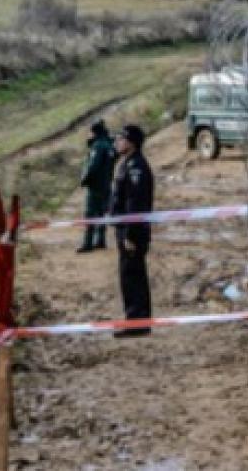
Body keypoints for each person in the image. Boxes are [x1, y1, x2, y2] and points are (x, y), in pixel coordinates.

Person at [107, 124, 154, 338]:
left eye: (121, 139)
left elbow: (135, 205)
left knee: (132, 276)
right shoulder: (126, 164)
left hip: (132, 232)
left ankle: (137, 322)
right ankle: (137, 320)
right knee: (130, 276)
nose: (117, 143)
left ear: (132, 143)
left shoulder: (137, 168)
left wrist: (129, 235)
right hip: (126, 229)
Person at [77, 119, 116, 253]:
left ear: (94, 132)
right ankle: (100, 240)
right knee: (102, 212)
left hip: (95, 186)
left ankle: (88, 243)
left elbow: (93, 166)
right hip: (107, 184)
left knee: (90, 213)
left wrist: (84, 179)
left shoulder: (98, 146)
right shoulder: (110, 145)